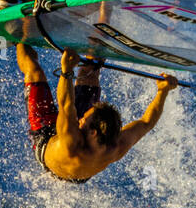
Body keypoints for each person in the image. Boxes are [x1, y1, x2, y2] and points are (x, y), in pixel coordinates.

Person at [16, 41, 177, 183]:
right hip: (85, 156)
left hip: (47, 141)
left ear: (92, 132)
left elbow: (66, 104)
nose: (80, 119)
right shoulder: (117, 145)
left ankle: (17, 33)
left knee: (34, 70)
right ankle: (102, 12)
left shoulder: (71, 143)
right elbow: (146, 123)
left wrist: (67, 70)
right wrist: (162, 92)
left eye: (83, 118)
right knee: (91, 70)